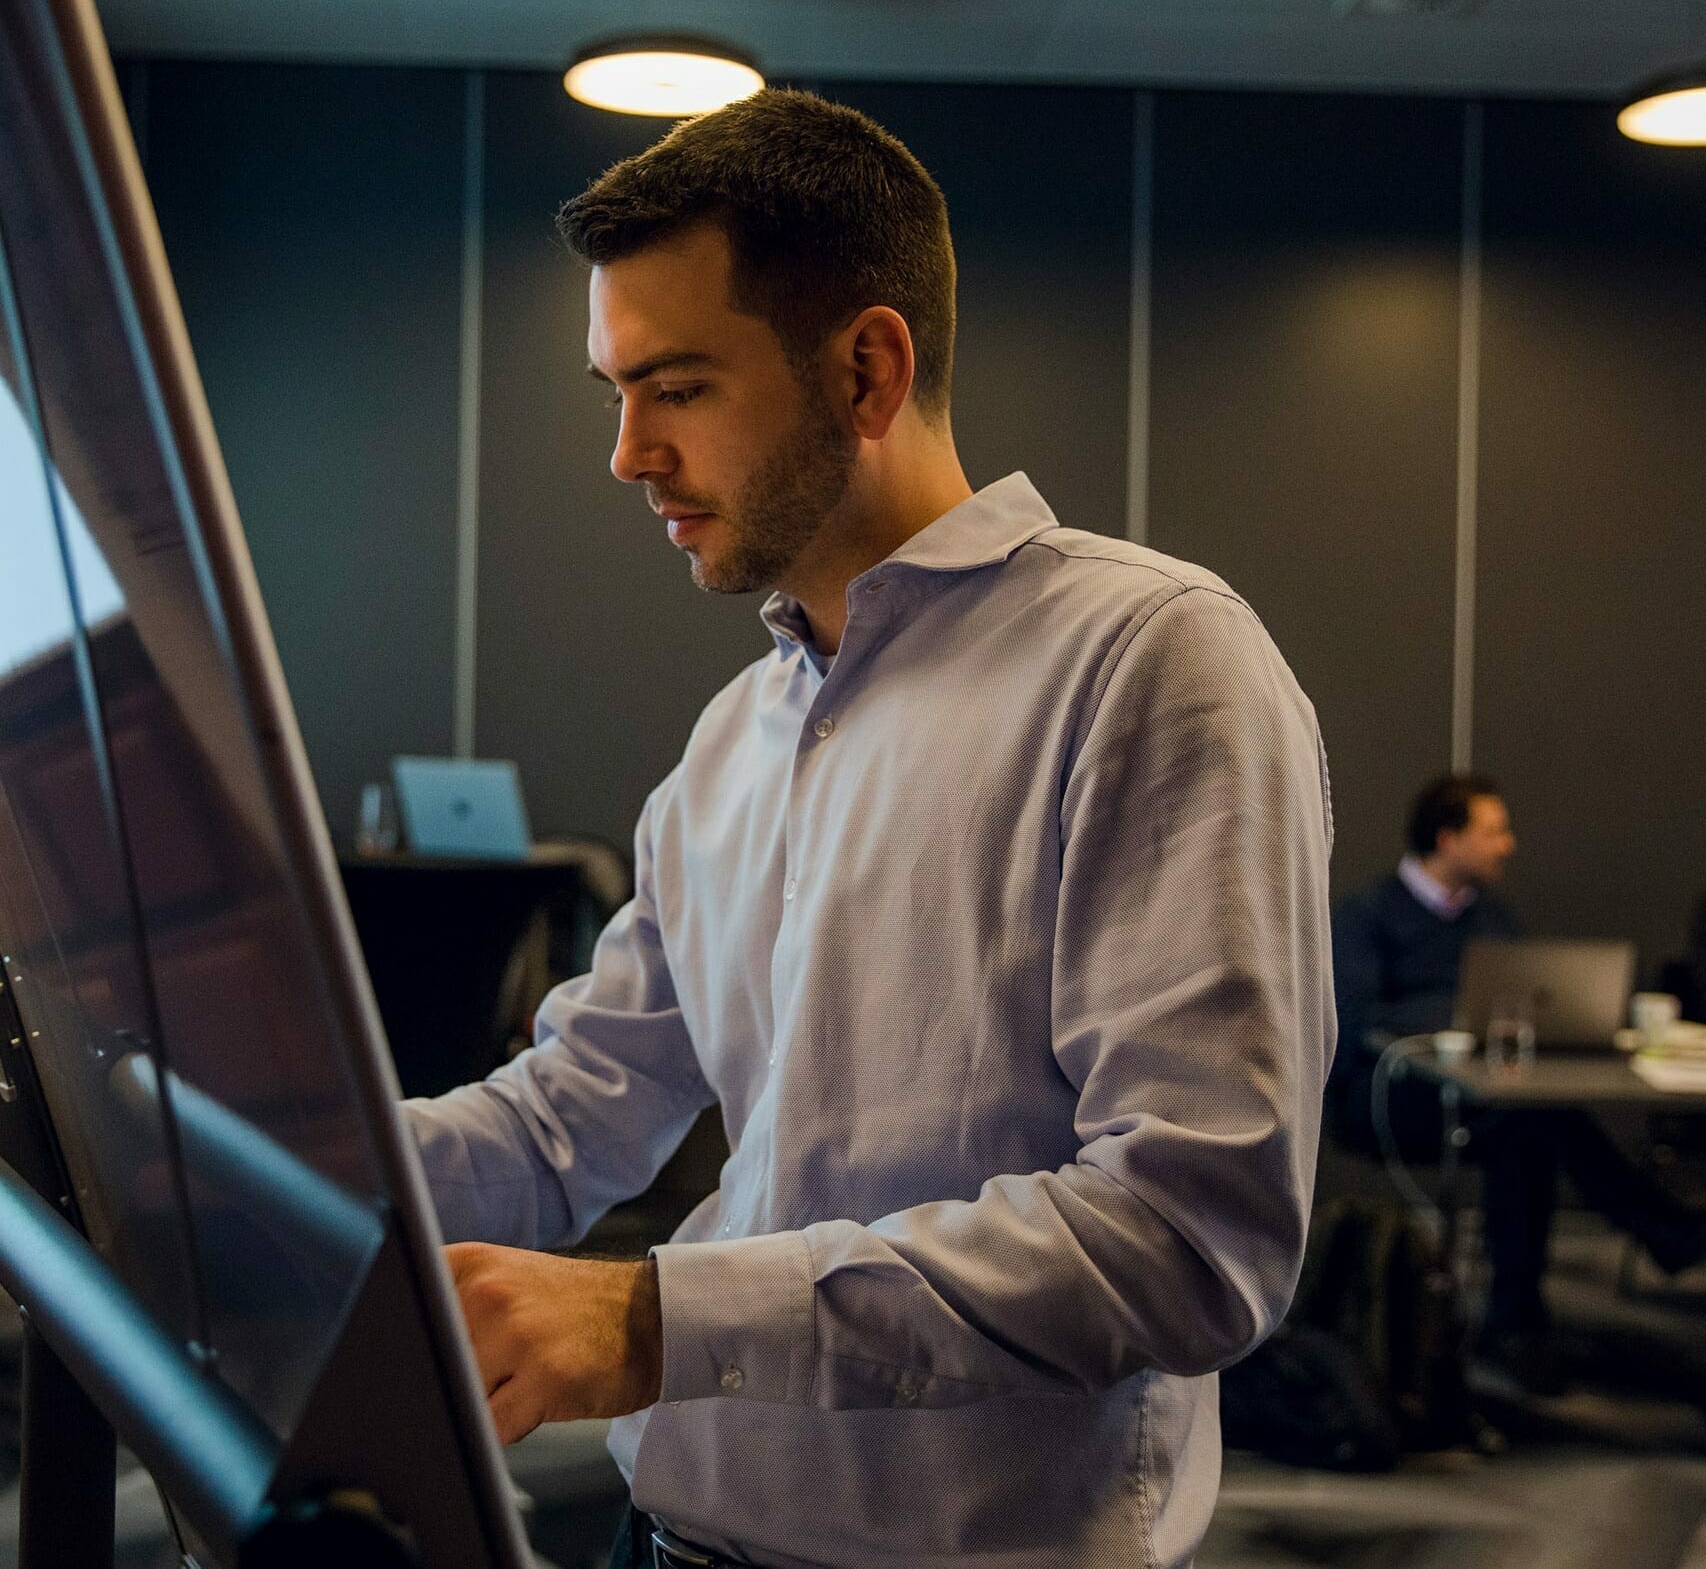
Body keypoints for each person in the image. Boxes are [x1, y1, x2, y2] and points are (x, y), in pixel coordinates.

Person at [405, 88, 1336, 1569]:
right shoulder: (732, 739)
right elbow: (570, 1109)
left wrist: (655, 1319)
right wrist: (276, 1165)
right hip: (670, 1536)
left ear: (866, 366)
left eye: (679, 386)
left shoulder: (1148, 659)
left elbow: (1187, 1237)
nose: (626, 452)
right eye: (614, 391)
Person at [1331, 775, 1706, 1391]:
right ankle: (1657, 1239)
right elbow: (1359, 1018)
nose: (1507, 845)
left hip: (1483, 1100)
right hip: (1390, 1101)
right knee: (1532, 1126)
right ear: (1449, 839)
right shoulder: (1367, 915)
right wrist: (1458, 1013)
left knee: (1530, 1125)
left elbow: (1529, 1002)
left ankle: (1521, 1322)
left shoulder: (1492, 919)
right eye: (1493, 831)